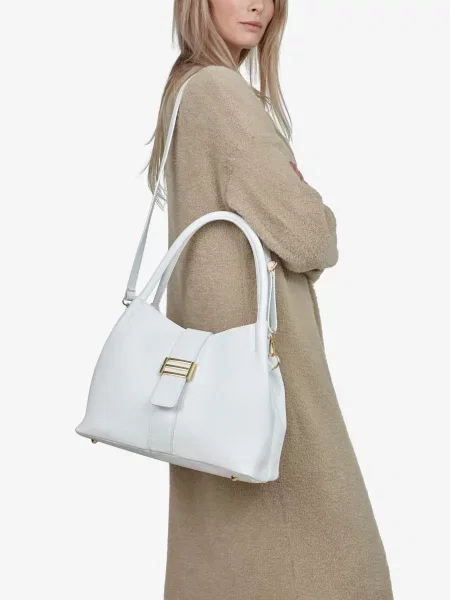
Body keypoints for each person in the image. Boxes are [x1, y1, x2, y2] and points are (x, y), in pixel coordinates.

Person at [144, 1, 394, 599]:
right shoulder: (220, 93)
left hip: (216, 391)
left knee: (229, 564)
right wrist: (315, 212)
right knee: (342, 570)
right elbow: (308, 235)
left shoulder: (184, 90)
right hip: (265, 381)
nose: (260, 4)